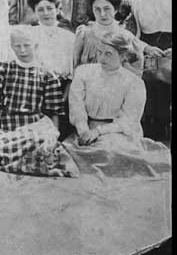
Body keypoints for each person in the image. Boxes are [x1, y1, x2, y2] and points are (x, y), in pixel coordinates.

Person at [65, 33, 171, 176]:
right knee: (69, 154)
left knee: (109, 153)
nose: (102, 58)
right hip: (86, 128)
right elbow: (76, 105)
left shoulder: (134, 83)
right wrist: (83, 130)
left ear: (123, 56)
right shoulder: (84, 72)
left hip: (119, 132)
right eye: (100, 52)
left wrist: (99, 132)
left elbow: (129, 120)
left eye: (108, 54)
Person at [0, 27, 72, 177]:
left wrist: (55, 136)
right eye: (17, 46)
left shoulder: (46, 73)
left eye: (27, 45)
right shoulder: (2, 68)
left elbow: (54, 110)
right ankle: (14, 158)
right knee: (3, 145)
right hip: (8, 120)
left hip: (35, 121)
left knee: (43, 142)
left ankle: (28, 160)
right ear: (11, 46)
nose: (22, 50)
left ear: (36, 46)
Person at [28, 0, 76, 81]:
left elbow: (72, 67)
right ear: (34, 12)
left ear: (57, 10)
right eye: (40, 10)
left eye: (49, 8)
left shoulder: (69, 37)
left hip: (62, 83)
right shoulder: (28, 34)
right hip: (34, 82)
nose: (46, 13)